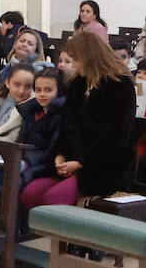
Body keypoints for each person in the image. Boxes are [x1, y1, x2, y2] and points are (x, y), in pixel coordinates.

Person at [21, 32, 136, 212]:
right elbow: (66, 126)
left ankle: (71, 240)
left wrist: (81, 162)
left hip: (103, 166)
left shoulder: (119, 85)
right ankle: (59, 237)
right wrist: (60, 155)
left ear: (89, 56)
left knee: (53, 198)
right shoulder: (78, 84)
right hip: (73, 162)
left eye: (76, 59)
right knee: (31, 193)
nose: (74, 63)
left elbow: (117, 135)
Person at [16, 68, 66, 186]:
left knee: (13, 184)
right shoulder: (30, 111)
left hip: (42, 167)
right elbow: (20, 140)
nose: (42, 94)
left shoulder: (62, 115)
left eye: (48, 90)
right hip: (20, 162)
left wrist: (27, 163)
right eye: (38, 90)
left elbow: (51, 151)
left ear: (59, 90)